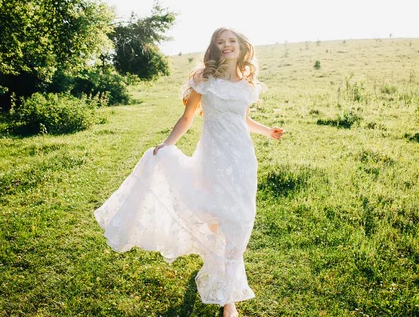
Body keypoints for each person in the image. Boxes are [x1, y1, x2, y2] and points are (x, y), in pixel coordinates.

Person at [94, 27, 285, 317]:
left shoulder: (247, 84)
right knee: (215, 217)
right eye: (221, 42)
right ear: (215, 48)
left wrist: (266, 131)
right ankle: (226, 292)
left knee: (241, 219)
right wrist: (167, 145)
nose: (227, 46)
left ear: (241, 46)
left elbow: (243, 119)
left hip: (242, 158)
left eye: (231, 41)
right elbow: (186, 117)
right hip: (213, 155)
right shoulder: (203, 80)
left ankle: (226, 290)